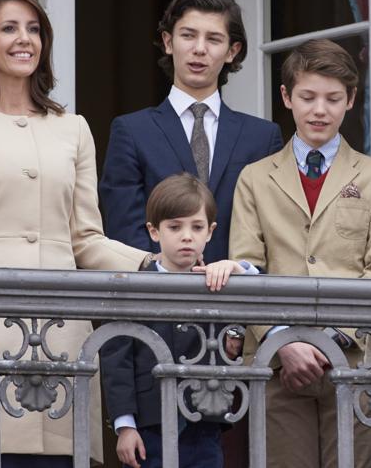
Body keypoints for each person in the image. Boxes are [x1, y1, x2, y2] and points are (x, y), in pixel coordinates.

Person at [0, 0, 150, 468]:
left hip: (61, 343)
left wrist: (151, 263)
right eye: (10, 28)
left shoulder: (72, 128)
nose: (25, 39)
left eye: (34, 29)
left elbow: (86, 240)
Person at [229, 38, 371, 468]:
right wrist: (284, 340)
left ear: (351, 101)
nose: (319, 110)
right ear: (287, 97)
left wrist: (326, 340)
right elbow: (245, 268)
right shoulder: (255, 179)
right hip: (277, 365)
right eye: (307, 97)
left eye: (333, 98)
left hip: (353, 361)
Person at [99, 0, 283, 263]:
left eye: (214, 39)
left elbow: (270, 228)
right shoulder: (131, 131)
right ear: (168, 42)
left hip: (238, 295)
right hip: (158, 292)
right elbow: (124, 227)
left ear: (232, 51)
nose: (199, 48)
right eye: (188, 35)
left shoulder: (263, 137)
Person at [100, 173, 258, 468]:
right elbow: (117, 359)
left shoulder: (218, 280)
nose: (187, 236)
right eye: (175, 227)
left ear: (210, 232)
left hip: (205, 422)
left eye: (197, 227)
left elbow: (260, 296)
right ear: (154, 231)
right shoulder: (132, 288)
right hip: (150, 425)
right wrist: (125, 426)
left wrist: (238, 268)